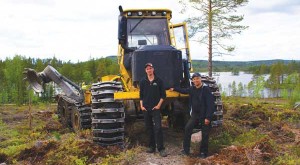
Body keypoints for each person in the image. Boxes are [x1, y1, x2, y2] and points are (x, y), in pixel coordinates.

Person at [170, 72, 214, 158]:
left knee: (205, 134)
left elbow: (210, 105)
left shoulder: (206, 90)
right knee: (187, 129)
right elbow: (184, 90)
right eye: (194, 79)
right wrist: (174, 89)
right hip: (195, 114)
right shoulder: (192, 89)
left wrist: (208, 117)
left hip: (204, 115)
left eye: (197, 78)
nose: (196, 80)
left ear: (200, 79)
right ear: (193, 81)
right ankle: (186, 150)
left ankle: (203, 153)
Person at [139, 63, 167, 157]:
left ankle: (161, 148)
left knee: (158, 128)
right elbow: (141, 95)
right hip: (146, 109)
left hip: (155, 108)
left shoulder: (159, 81)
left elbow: (163, 95)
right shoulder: (143, 81)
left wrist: (158, 106)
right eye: (147, 69)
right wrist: (142, 106)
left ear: (153, 69)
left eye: (150, 68)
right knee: (149, 128)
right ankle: (151, 147)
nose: (149, 70)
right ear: (145, 70)